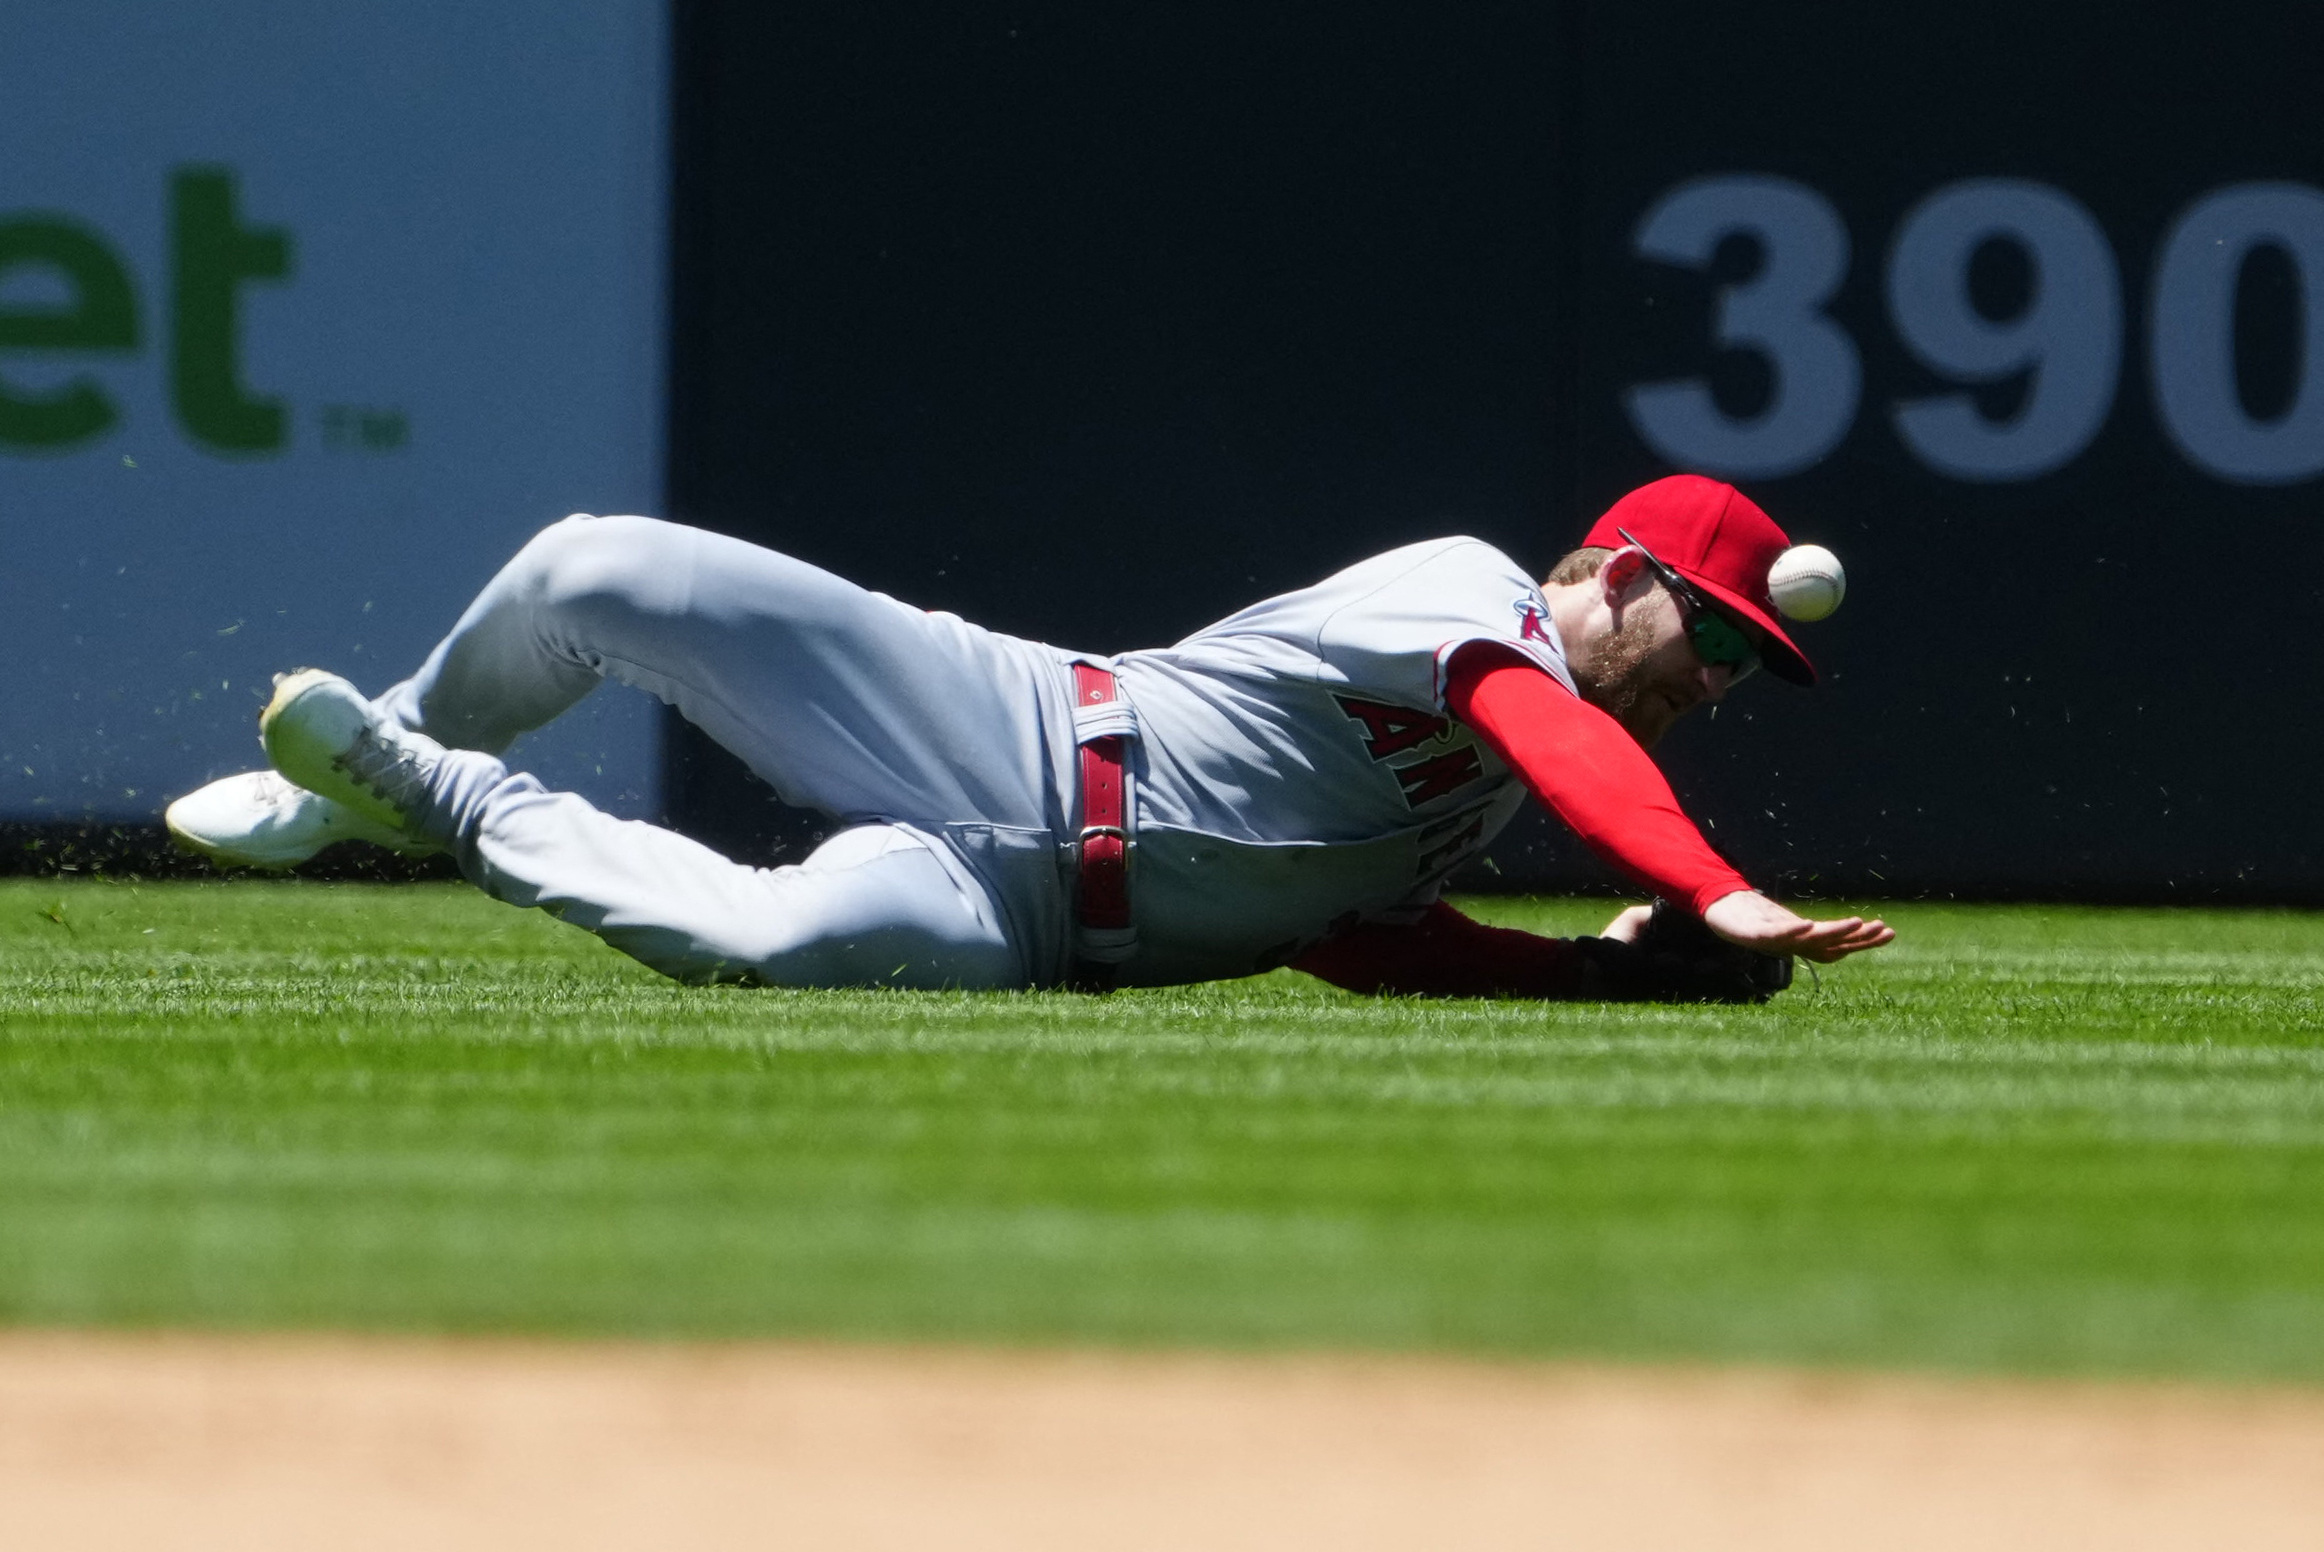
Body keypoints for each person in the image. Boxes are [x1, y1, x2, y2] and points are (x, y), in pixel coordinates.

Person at [165, 474, 1893, 997]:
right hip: (1007, 725)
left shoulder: (1501, 785)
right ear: (1604, 572)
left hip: (1024, 922)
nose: (1711, 683)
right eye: (1707, 636)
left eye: (1744, 669)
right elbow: (1569, 739)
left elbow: (1356, 943)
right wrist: (1716, 891)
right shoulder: (1473, 606)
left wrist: (1614, 974)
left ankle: (438, 796)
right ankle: (371, 775)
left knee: (740, 938)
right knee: (594, 569)